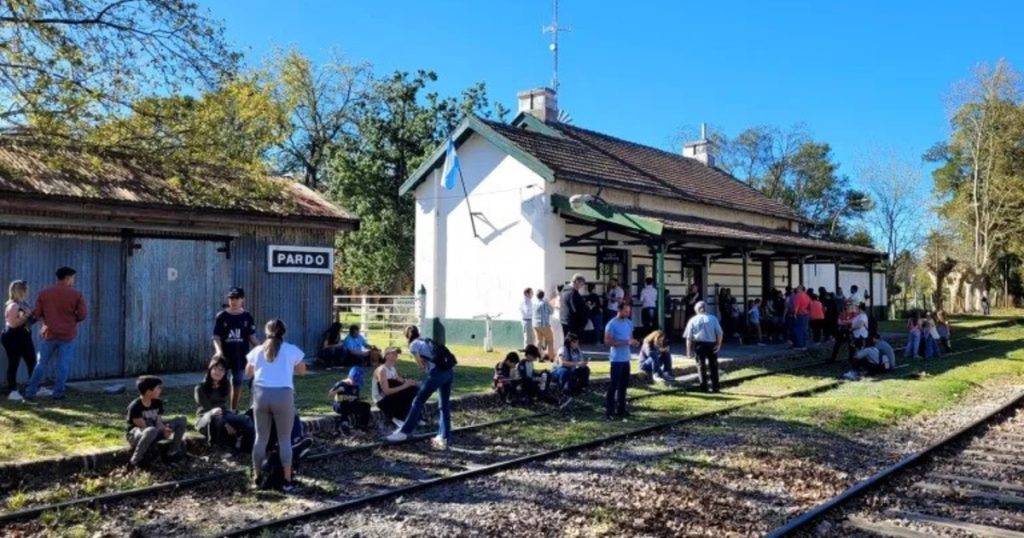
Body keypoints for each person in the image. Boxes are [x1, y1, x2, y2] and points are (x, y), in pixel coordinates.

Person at [247, 319, 306, 491]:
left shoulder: (257, 350)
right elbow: (302, 371)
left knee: (260, 439)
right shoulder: (291, 350)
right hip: (283, 394)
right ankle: (287, 481)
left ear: (266, 332)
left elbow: (248, 371)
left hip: (260, 394)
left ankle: (256, 478)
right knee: (284, 439)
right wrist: (288, 369)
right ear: (284, 332)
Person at [23, 267, 87, 403]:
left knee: (40, 364)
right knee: (63, 365)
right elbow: (82, 315)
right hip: (68, 334)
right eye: (73, 278)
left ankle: (30, 391)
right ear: (68, 277)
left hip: (49, 334)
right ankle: (58, 392)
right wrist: (71, 320)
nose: (73, 281)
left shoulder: (44, 293)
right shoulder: (76, 294)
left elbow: (37, 313)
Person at [386, 326, 456, 449]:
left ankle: (404, 432)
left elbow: (421, 365)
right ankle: (444, 436)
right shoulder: (426, 341)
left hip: (437, 373)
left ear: (407, 336)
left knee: (418, 401)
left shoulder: (413, 345)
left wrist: (421, 363)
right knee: (444, 405)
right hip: (449, 372)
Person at [212, 287, 259, 411]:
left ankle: (233, 410)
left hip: (240, 356)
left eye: (236, 298)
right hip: (224, 356)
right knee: (217, 382)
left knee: (237, 383)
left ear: (242, 299)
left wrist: (263, 349)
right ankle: (217, 410)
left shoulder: (247, 316)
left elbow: (252, 337)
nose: (233, 301)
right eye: (231, 298)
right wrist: (219, 351)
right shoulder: (221, 316)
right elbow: (216, 336)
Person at [195, 357, 255, 452]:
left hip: (223, 414)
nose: (218, 372)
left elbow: (223, 407)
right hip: (205, 420)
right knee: (217, 412)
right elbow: (208, 409)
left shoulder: (226, 385)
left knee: (246, 418)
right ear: (210, 369)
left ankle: (248, 448)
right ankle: (216, 447)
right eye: (215, 368)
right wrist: (226, 424)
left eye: (222, 370)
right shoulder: (200, 388)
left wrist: (227, 418)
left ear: (225, 372)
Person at [126, 375, 187, 467]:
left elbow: (158, 421)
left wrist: (165, 429)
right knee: (151, 430)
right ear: (148, 391)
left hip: (154, 430)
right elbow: (144, 428)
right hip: (139, 435)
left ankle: (173, 451)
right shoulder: (135, 407)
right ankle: (134, 461)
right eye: (158, 388)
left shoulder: (157, 402)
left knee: (181, 420)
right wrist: (161, 430)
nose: (160, 390)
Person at [3, 280, 36, 400]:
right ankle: (12, 391)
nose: (28, 291)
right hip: (13, 337)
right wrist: (27, 316)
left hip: (24, 336)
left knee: (32, 361)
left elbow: (26, 320)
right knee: (14, 363)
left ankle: (34, 387)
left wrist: (35, 316)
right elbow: (13, 324)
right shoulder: (13, 305)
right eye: (26, 289)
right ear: (20, 290)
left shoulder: (24, 304)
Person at [604, 302, 637, 420]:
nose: (627, 314)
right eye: (625, 311)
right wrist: (625, 342)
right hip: (616, 359)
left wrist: (633, 342)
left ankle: (621, 409)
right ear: (619, 310)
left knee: (623, 386)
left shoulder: (629, 323)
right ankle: (609, 410)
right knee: (613, 385)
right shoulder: (611, 324)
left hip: (626, 358)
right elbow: (607, 342)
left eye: (629, 312)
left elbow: (630, 338)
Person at [372, 347, 417, 428]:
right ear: (386, 356)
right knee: (401, 388)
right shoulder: (382, 370)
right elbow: (386, 391)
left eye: (396, 354)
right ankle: (397, 417)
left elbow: (401, 380)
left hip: (391, 398)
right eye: (392, 353)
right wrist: (404, 385)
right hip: (382, 400)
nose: (395, 355)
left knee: (413, 389)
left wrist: (410, 382)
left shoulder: (392, 369)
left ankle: (411, 415)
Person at [684, 301, 724, 393]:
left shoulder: (692, 320)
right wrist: (718, 345)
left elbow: (689, 338)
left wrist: (688, 351)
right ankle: (716, 387)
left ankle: (704, 387)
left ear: (696, 310)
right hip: (711, 344)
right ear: (706, 309)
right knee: (713, 366)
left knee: (701, 366)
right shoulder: (713, 318)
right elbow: (720, 333)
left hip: (699, 345)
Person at [328, 366, 371, 431]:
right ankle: (344, 423)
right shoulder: (341, 384)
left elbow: (355, 397)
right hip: (340, 405)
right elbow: (330, 395)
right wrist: (337, 390)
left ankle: (363, 425)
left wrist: (357, 398)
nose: (355, 384)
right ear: (350, 377)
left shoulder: (356, 386)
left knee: (366, 406)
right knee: (344, 404)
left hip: (351, 403)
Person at [553, 333, 590, 408]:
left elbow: (580, 360)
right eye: (575, 342)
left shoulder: (577, 350)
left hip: (571, 369)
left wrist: (583, 363)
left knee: (585, 370)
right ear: (570, 342)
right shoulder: (563, 349)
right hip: (559, 371)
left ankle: (580, 389)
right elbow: (562, 363)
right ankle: (563, 391)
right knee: (566, 371)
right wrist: (577, 363)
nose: (577, 344)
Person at [560, 274, 590, 341]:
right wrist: (586, 308)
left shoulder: (563, 290)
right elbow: (576, 309)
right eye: (581, 284)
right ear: (576, 281)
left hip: (564, 320)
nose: (581, 287)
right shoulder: (573, 293)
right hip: (573, 323)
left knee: (566, 343)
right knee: (571, 344)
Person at [532, 290, 555, 362]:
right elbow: (551, 311)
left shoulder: (534, 303)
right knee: (550, 341)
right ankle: (551, 357)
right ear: (543, 295)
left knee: (538, 341)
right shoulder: (544, 303)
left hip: (535, 324)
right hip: (544, 325)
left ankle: (538, 357)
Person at [550, 285, 565, 356]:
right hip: (558, 316)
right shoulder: (560, 297)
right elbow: (559, 306)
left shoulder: (556, 297)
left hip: (556, 315)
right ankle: (558, 349)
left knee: (556, 334)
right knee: (558, 334)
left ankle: (556, 349)